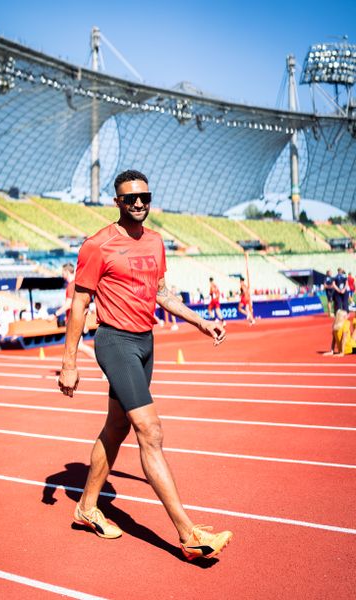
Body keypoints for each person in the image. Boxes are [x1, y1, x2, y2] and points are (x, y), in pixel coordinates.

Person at [58, 169, 232, 561]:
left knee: (116, 427)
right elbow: (80, 305)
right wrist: (69, 362)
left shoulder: (154, 242)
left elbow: (161, 292)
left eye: (144, 197)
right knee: (150, 431)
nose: (139, 203)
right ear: (117, 202)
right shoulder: (97, 245)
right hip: (115, 342)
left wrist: (201, 321)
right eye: (130, 198)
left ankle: (86, 508)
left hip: (145, 342)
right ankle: (188, 534)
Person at [51, 263, 96, 360]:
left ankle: (102, 365)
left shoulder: (71, 286)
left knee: (76, 347)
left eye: (63, 272)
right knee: (71, 348)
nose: (62, 275)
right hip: (75, 320)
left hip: (73, 321)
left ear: (67, 272)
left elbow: (68, 304)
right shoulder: (76, 284)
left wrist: (55, 314)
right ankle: (70, 371)